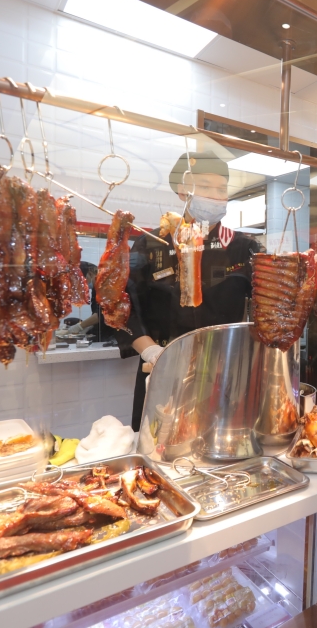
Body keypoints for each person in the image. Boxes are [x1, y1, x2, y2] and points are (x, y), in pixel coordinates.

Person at [114, 152, 261, 431]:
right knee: (160, 445)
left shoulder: (243, 247)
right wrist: (151, 352)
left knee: (224, 442)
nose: (216, 196)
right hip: (162, 370)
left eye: (222, 189)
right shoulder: (152, 244)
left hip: (224, 374)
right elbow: (123, 308)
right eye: (205, 187)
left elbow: (266, 305)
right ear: (183, 191)